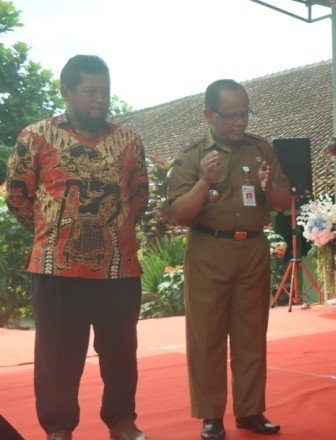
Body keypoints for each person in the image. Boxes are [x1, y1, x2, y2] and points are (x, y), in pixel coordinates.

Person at [5, 55, 149, 440]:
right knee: (56, 356)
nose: (100, 99)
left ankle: (122, 422)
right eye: (91, 92)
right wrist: (53, 230)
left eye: (105, 91)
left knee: (120, 351)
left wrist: (111, 231)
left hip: (118, 270)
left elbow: (139, 196)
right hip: (55, 268)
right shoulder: (34, 138)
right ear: (66, 92)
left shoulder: (129, 141)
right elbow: (18, 196)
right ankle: (58, 428)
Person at [167, 79, 291, 440]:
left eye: (245, 114)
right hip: (209, 250)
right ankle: (211, 416)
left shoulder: (261, 150)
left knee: (251, 334)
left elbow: (283, 202)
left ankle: (250, 410)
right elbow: (180, 214)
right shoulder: (192, 156)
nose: (240, 122)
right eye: (231, 116)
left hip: (253, 249)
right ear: (209, 114)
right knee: (206, 336)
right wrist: (204, 182)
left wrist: (270, 188)